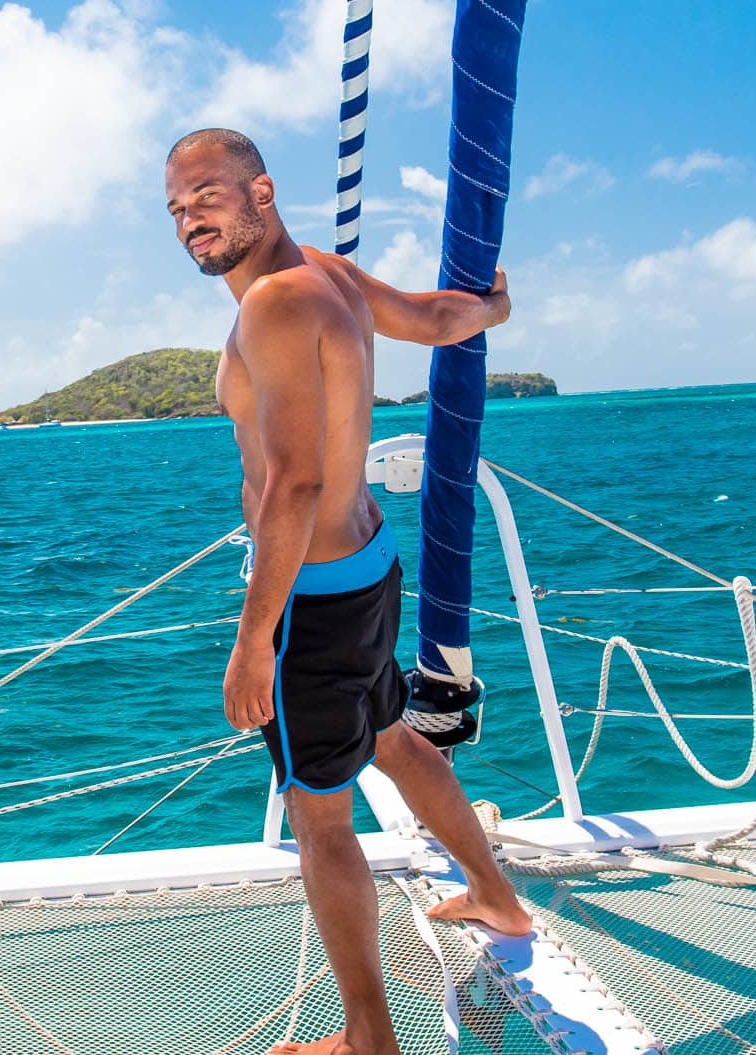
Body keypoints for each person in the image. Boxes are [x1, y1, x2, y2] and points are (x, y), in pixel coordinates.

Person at [164, 127, 534, 1055]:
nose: (189, 221)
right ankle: (496, 894)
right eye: (175, 208)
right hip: (370, 567)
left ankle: (367, 1038)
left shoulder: (278, 304)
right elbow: (432, 318)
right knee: (392, 734)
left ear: (262, 192)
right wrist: (491, 308)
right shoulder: (325, 276)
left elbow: (291, 483)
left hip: (313, 602)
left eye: (207, 195)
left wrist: (254, 642)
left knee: (320, 817)